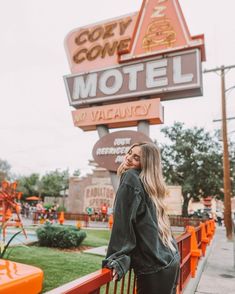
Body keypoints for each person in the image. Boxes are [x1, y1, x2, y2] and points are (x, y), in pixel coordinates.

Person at [102, 142, 180, 294]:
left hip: (154, 267)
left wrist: (117, 258)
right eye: (130, 153)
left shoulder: (131, 178)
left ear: (147, 164)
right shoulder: (148, 184)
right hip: (171, 260)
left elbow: (123, 223)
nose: (129, 158)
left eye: (136, 157)